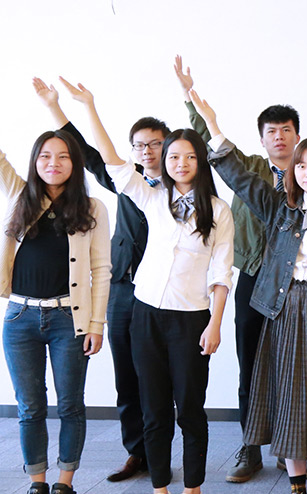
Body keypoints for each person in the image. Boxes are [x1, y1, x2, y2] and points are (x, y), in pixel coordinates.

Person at [190, 89, 307, 494]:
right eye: (302, 165)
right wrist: (213, 125)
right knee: (288, 399)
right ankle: (296, 485)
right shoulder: (280, 208)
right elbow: (238, 177)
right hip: (284, 311)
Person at [66, 78, 233, 494]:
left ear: (200, 162)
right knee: (154, 410)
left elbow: (221, 274)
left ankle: (192, 487)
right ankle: (160, 487)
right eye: (173, 156)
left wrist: (214, 324)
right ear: (165, 161)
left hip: (191, 320)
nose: (180, 162)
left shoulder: (218, 211)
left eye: (189, 156)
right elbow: (111, 161)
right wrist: (89, 106)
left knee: (190, 410)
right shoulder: (151, 197)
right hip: (146, 316)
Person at [173, 55, 307, 482]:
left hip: (296, 284)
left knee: (291, 366)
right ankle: (250, 447)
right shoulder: (247, 167)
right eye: (272, 132)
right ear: (262, 140)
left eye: (286, 130)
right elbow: (209, 143)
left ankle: (289, 447)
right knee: (250, 363)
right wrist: (190, 98)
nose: (279, 137)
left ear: (297, 135)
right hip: (251, 275)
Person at [33, 76, 169, 482]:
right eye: (140, 146)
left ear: (169, 147)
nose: (147, 151)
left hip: (161, 292)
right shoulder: (125, 178)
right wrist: (59, 107)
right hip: (123, 289)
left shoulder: (181, 186)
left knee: (158, 378)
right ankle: (136, 454)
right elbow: (86, 154)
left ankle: (160, 455)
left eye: (155, 144)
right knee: (126, 376)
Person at [0, 123, 110, 494]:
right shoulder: (20, 196)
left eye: (63, 156)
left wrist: (96, 324)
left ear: (74, 163)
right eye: (45, 156)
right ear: (35, 162)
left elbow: (101, 270)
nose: (53, 163)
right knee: (30, 406)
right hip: (20, 318)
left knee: (70, 405)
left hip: (69, 319)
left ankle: (65, 482)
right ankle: (37, 482)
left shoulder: (92, 208)